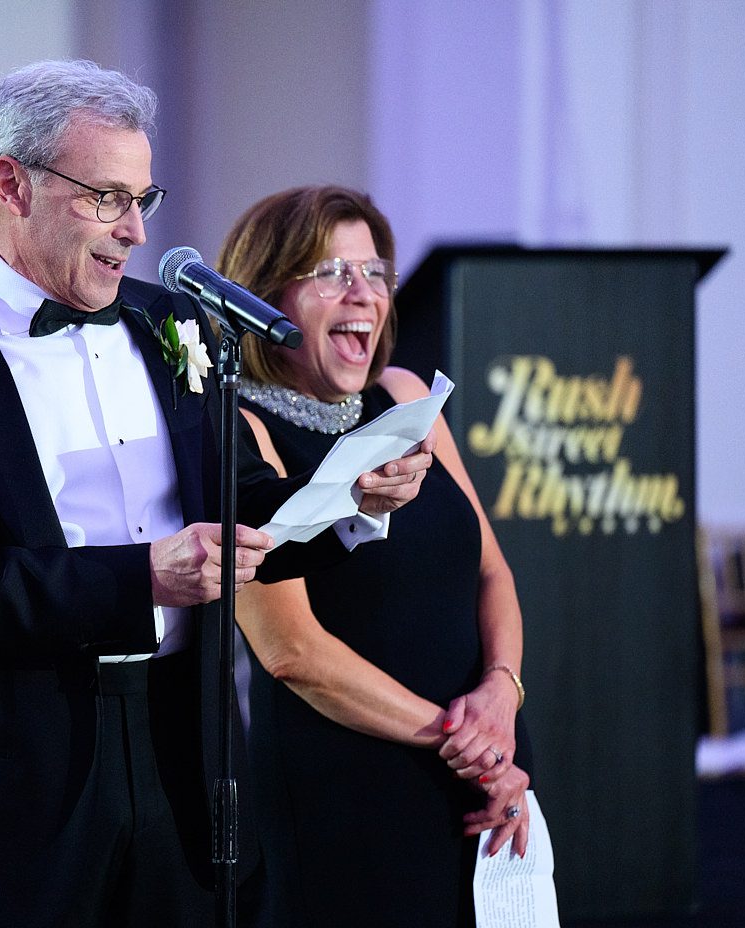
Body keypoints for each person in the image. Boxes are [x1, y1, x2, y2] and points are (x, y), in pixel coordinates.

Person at [0, 63, 434, 928]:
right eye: (108, 198)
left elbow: (250, 507)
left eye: (143, 201)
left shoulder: (175, 327)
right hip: (14, 775)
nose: (135, 233)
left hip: (186, 755)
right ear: (12, 184)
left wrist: (352, 498)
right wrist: (141, 578)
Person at [217, 185, 533, 928]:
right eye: (330, 272)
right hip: (351, 791)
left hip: (483, 767)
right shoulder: (239, 428)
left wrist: (502, 694)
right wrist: (471, 745)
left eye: (374, 271)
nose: (363, 292)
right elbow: (290, 650)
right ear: (266, 296)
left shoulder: (405, 395)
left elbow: (491, 569)